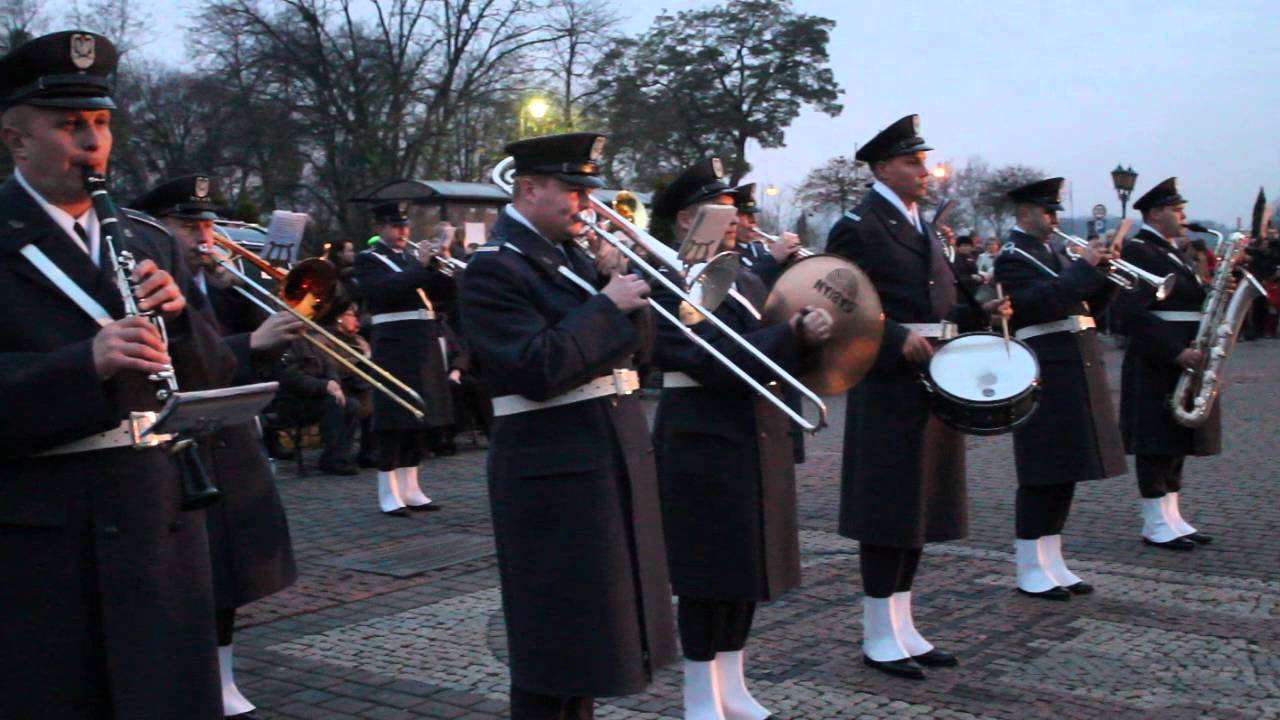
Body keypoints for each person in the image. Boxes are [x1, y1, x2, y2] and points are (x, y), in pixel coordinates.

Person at [0, 30, 228, 719]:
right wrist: (84, 364)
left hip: (161, 534)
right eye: (69, 126)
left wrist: (182, 323)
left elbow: (209, 377)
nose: (92, 144)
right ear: (15, 140)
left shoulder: (148, 239)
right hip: (46, 541)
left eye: (100, 123)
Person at [459, 132, 676, 719]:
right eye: (574, 190)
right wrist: (607, 304)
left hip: (606, 459)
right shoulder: (494, 268)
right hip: (551, 474)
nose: (588, 203)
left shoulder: (574, 258)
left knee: (591, 642)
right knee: (553, 645)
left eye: (588, 189)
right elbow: (536, 366)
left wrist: (629, 292)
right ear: (527, 189)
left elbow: (639, 357)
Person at [825, 114, 1011, 680]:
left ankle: (903, 624)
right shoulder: (857, 225)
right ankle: (877, 632)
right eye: (912, 162)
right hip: (888, 385)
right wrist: (891, 339)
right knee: (887, 509)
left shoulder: (922, 224)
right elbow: (840, 305)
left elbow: (940, 307)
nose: (923, 171)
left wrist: (980, 310)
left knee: (920, 506)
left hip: (933, 379)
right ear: (882, 167)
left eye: (922, 160)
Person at [649, 158, 833, 719]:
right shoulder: (668, 276)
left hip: (750, 430)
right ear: (685, 219)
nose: (734, 217)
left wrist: (805, 333)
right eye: (719, 207)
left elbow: (764, 342)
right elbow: (706, 357)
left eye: (733, 207)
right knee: (708, 573)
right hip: (702, 434)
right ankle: (700, 694)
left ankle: (733, 682)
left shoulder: (743, 273)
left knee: (745, 567)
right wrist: (789, 335)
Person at [130, 173, 302, 717]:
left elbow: (261, 349)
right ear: (159, 229)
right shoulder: (143, 275)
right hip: (182, 439)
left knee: (233, 569)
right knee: (190, 571)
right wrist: (248, 341)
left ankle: (224, 676)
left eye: (207, 223)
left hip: (232, 437)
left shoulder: (223, 284)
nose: (204, 236)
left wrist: (250, 307)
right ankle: (199, 678)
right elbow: (188, 362)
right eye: (189, 225)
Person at [993, 177, 1127, 600]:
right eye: (1046, 211)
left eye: (1055, 211)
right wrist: (1084, 268)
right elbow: (1041, 302)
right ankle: (1030, 565)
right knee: (1042, 469)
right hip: (1042, 368)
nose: (1053, 219)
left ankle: (1053, 559)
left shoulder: (1052, 251)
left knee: (1066, 468)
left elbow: (1085, 307)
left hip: (1073, 363)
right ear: (1025, 212)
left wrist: (1101, 275)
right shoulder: (1013, 256)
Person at [1112, 178, 1222, 550]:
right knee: (1155, 442)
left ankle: (1172, 515)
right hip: (1156, 360)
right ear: (1156, 213)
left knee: (1175, 439)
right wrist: (1174, 350)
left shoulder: (1172, 251)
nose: (1183, 216)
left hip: (1179, 355)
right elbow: (1129, 314)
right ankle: (1154, 520)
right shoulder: (1140, 251)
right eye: (1176, 210)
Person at [353, 200, 454, 515]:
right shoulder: (368, 259)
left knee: (418, 415)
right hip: (394, 343)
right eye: (396, 226)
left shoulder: (411, 259)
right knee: (393, 416)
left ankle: (411, 486)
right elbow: (385, 291)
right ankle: (388, 489)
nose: (403, 232)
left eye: (405, 226)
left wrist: (441, 264)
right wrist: (420, 267)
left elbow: (446, 294)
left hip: (422, 341)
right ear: (380, 228)